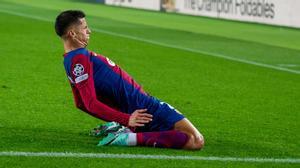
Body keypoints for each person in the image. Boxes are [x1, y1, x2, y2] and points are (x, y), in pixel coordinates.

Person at [55, 10, 204, 150]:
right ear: (73, 33)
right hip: (145, 107)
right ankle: (127, 138)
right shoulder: (79, 58)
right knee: (195, 140)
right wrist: (126, 119)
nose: (89, 31)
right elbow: (89, 103)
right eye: (85, 28)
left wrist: (122, 119)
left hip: (135, 111)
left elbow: (80, 103)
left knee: (179, 133)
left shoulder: (69, 59)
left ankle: (122, 128)